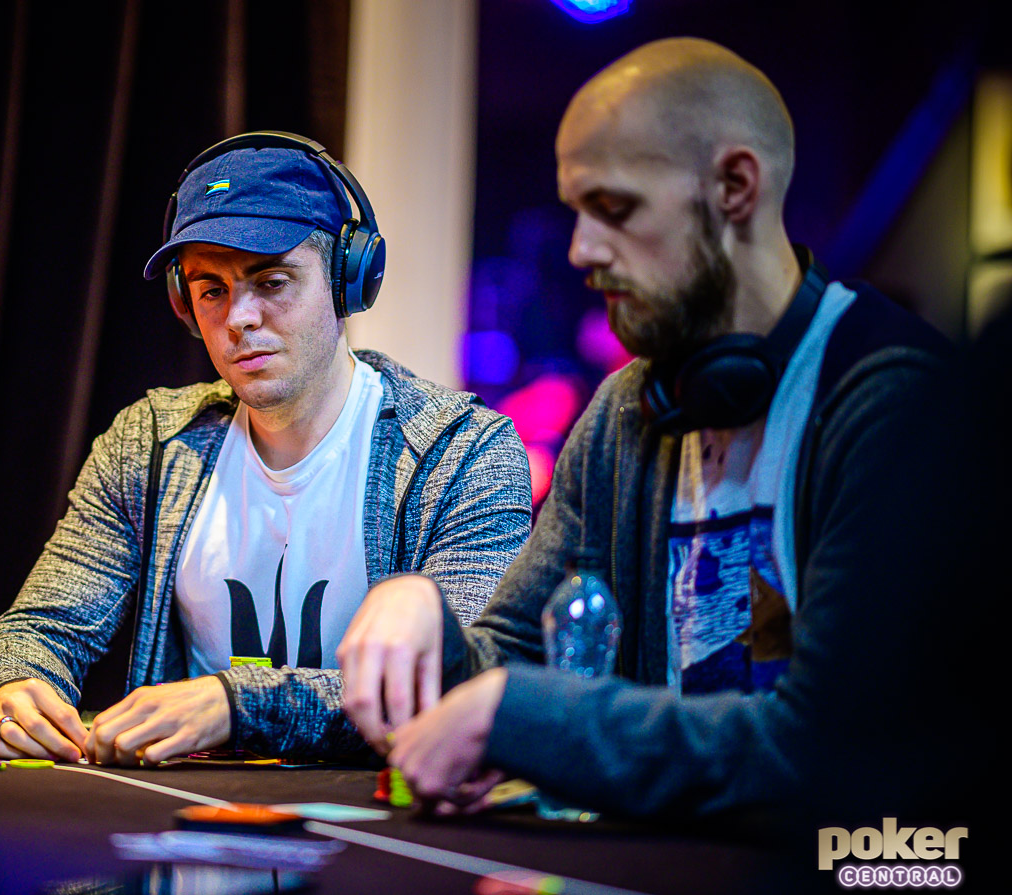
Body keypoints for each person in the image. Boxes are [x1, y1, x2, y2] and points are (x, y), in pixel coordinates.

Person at [336, 38, 951, 819]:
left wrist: (520, 715)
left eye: (615, 210)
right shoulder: (629, 410)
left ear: (735, 186)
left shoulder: (890, 403)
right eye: (577, 213)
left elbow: (833, 742)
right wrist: (424, 614)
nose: (580, 251)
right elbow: (511, 665)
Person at [0, 132, 531, 766]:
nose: (239, 318)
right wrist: (10, 687)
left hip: (382, 844)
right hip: (190, 836)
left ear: (348, 281)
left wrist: (236, 705)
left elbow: (465, 687)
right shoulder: (149, 445)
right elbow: (35, 631)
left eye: (272, 280)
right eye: (211, 290)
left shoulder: (459, 453)